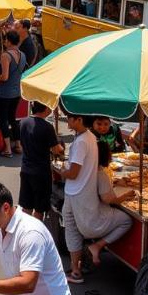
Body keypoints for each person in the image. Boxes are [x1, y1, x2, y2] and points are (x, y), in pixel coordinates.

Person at [63, 140, 134, 270]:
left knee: (72, 233)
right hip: (93, 222)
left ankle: (75, 270)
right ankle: (98, 245)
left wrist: (114, 183)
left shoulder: (77, 171)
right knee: (127, 220)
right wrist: (127, 195)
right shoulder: (100, 173)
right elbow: (109, 199)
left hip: (76, 217)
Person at [54, 113, 99, 283]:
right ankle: (83, 259)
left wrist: (61, 171)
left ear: (79, 120)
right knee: (77, 229)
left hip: (76, 192)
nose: (68, 121)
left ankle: (75, 270)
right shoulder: (90, 137)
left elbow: (73, 173)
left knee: (72, 230)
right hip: (83, 191)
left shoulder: (81, 142)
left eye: (70, 118)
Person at [19, 102, 63, 219]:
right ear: (46, 109)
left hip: (25, 169)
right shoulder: (47, 127)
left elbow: (21, 144)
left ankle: (24, 231)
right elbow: (56, 150)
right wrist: (61, 146)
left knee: (26, 206)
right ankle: (34, 233)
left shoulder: (23, 122)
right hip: (41, 172)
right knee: (39, 208)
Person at [0, 30, 27, 157]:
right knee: (13, 119)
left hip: (4, 93)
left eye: (5, 39)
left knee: (3, 119)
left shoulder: (6, 55)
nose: (4, 42)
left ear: (8, 41)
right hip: (16, 92)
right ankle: (18, 145)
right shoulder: (22, 55)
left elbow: (5, 76)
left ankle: (7, 148)